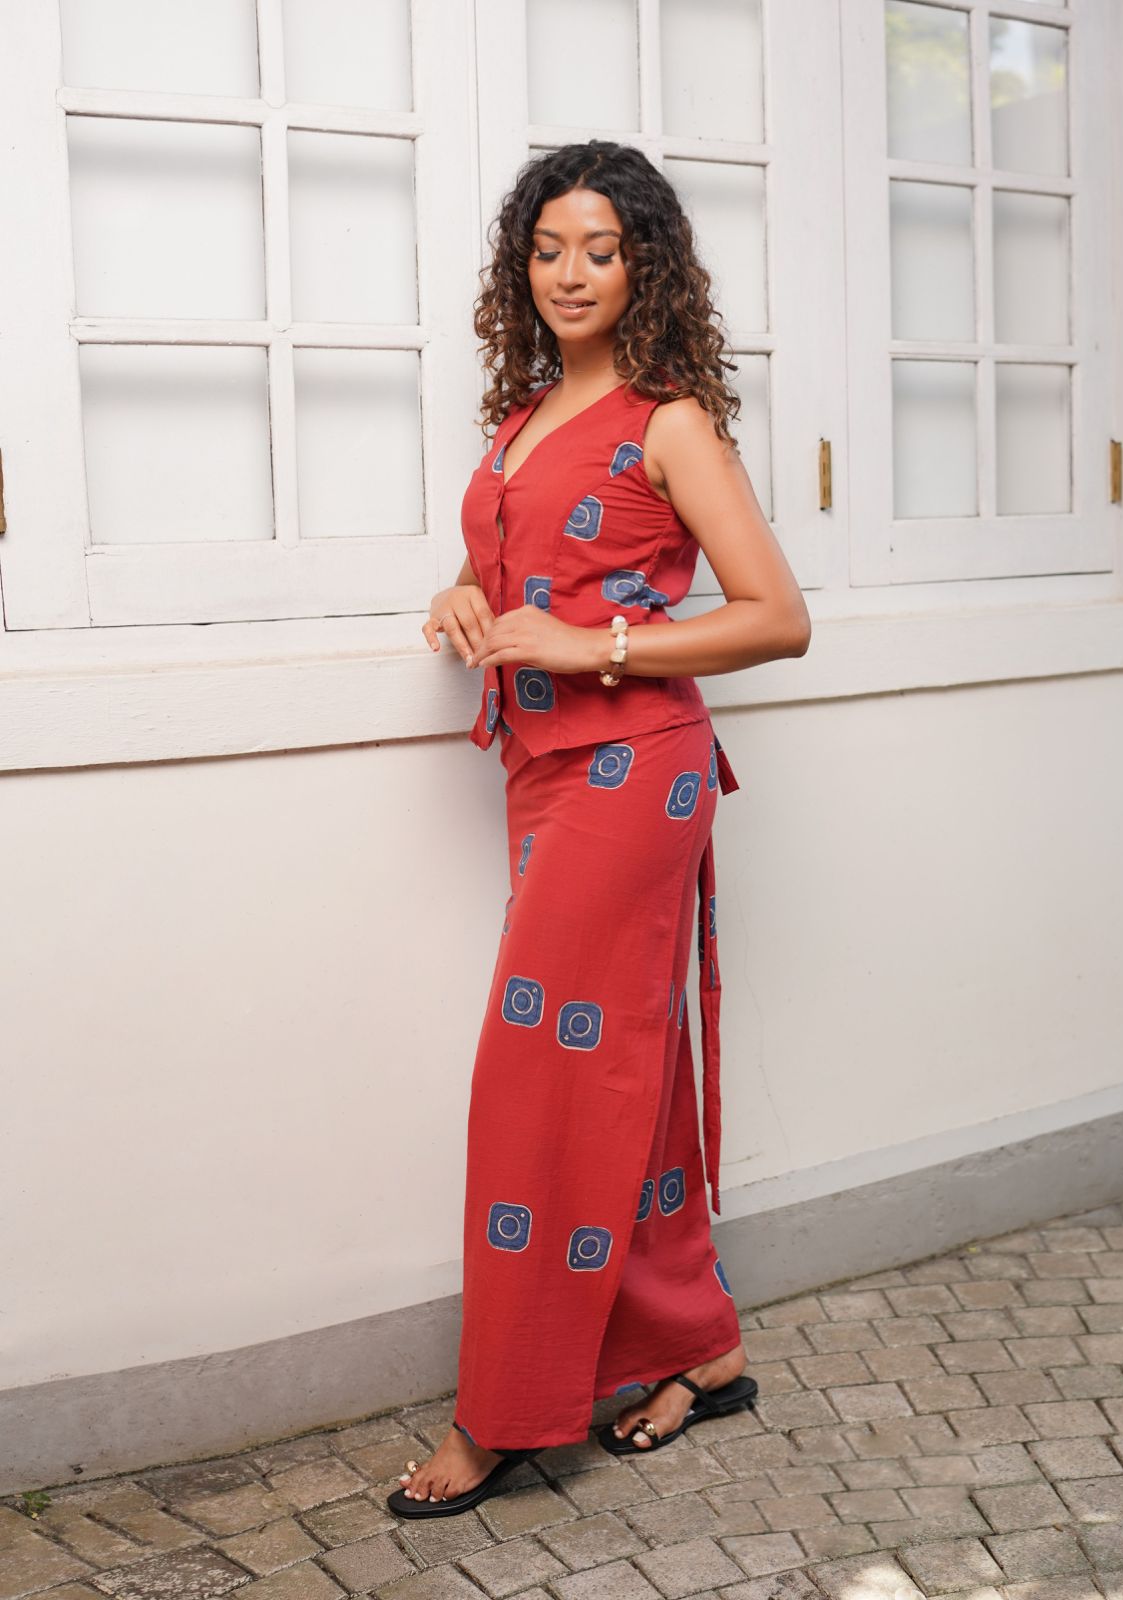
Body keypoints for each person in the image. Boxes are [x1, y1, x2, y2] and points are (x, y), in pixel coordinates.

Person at [388, 140, 811, 1520]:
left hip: (637, 771)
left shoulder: (669, 419)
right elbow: (512, 563)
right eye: (548, 248)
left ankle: (508, 1410)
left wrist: (595, 646)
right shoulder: (524, 414)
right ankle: (701, 1346)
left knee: (541, 1072)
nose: (570, 273)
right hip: (543, 771)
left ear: (646, 267)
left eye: (602, 250)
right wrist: (461, 597)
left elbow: (778, 617)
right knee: (627, 1063)